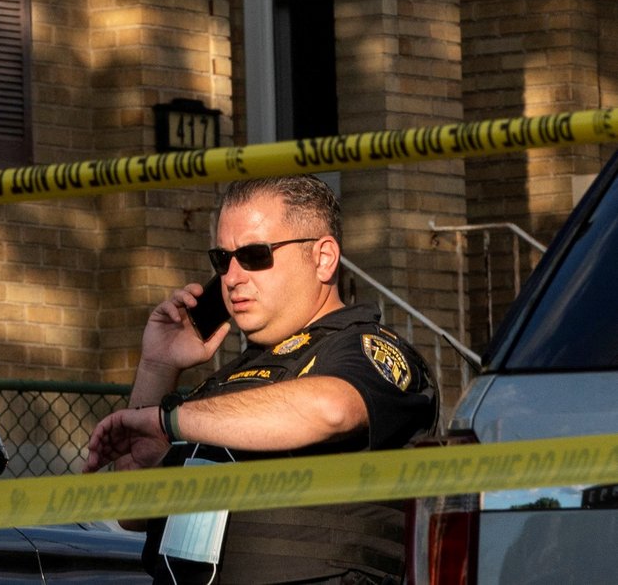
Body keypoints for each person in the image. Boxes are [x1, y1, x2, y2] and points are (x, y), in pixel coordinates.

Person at [83, 175, 438, 584]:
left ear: (323, 258)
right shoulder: (224, 383)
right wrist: (157, 368)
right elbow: (132, 513)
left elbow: (330, 409)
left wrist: (169, 421)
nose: (232, 276)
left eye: (253, 254)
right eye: (222, 259)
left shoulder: (365, 348)